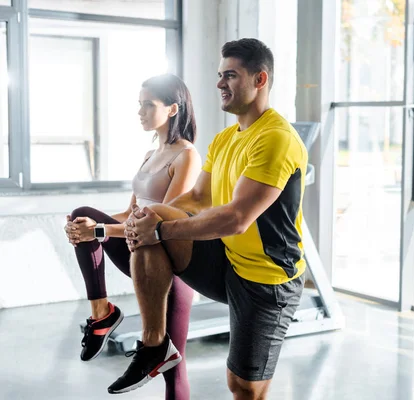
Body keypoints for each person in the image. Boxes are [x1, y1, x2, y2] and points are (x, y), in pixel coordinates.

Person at [108, 38, 308, 400]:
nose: (219, 84)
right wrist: (147, 219)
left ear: (259, 80)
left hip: (268, 278)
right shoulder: (224, 139)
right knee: (151, 216)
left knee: (243, 386)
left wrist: (162, 229)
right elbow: (198, 198)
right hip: (227, 261)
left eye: (230, 76)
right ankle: (155, 345)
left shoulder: (276, 138)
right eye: (219, 75)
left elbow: (236, 218)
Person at [63, 73, 202, 400]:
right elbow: (130, 214)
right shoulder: (149, 154)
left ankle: (107, 317)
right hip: (137, 251)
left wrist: (97, 231)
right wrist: (88, 228)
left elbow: (161, 222)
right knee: (82, 213)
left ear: (172, 109)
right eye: (139, 104)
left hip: (168, 266)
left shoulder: (187, 155)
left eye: (147, 105)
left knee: (172, 365)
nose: (140, 111)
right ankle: (102, 314)